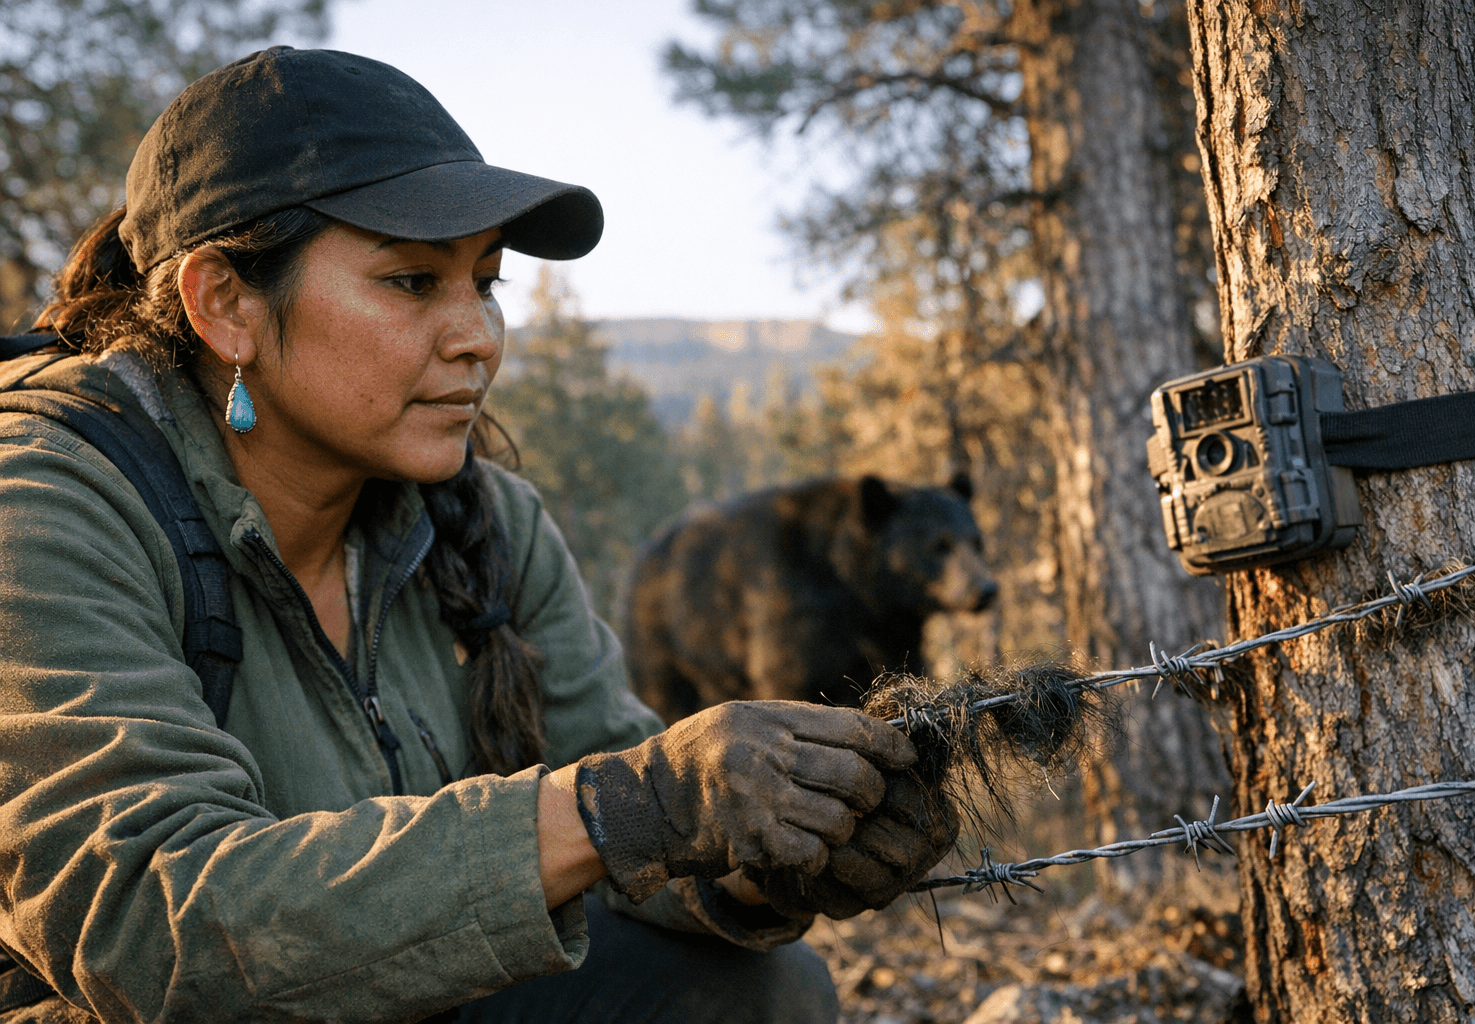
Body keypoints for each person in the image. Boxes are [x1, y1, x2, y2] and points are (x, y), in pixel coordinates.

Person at [0, 47, 957, 1024]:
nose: (479, 336)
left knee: (753, 992)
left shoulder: (481, 524)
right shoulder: (43, 497)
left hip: (397, 996)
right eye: (413, 282)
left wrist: (765, 859)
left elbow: (642, 824)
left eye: (486, 282)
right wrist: (612, 806)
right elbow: (146, 927)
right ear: (226, 304)